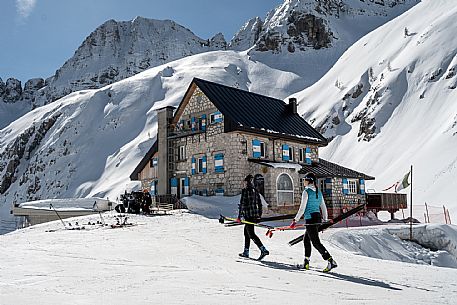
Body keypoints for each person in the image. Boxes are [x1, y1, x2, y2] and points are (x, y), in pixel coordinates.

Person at [290, 172, 337, 272]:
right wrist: (325, 219)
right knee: (306, 239)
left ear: (309, 181)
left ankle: (330, 260)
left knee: (316, 242)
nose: (304, 182)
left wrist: (295, 220)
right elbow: (323, 207)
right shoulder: (318, 192)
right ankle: (306, 263)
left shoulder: (306, 192)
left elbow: (302, 208)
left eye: (305, 180)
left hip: (310, 219)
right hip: (317, 218)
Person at [237, 174, 269, 260]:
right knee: (246, 233)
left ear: (247, 182)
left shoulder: (245, 191)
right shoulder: (255, 190)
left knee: (251, 234)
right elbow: (259, 203)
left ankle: (263, 249)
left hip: (248, 215)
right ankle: (246, 251)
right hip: (254, 215)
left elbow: (242, 204)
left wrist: (239, 217)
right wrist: (259, 215)